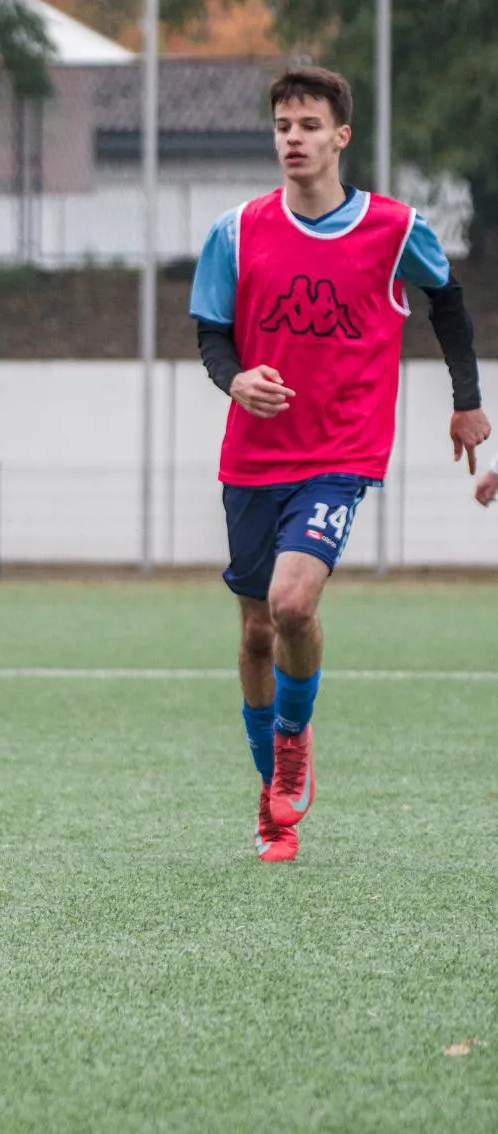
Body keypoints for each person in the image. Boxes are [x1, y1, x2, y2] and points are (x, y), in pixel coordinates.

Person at [189, 67, 488, 863]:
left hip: (341, 455)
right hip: (252, 459)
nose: (294, 137)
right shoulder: (236, 230)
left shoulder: (394, 228)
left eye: (310, 125)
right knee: (255, 632)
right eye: (283, 124)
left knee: (291, 605)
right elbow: (212, 334)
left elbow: (448, 301)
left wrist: (466, 398)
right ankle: (272, 800)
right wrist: (235, 379)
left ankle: (293, 744)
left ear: (340, 136)